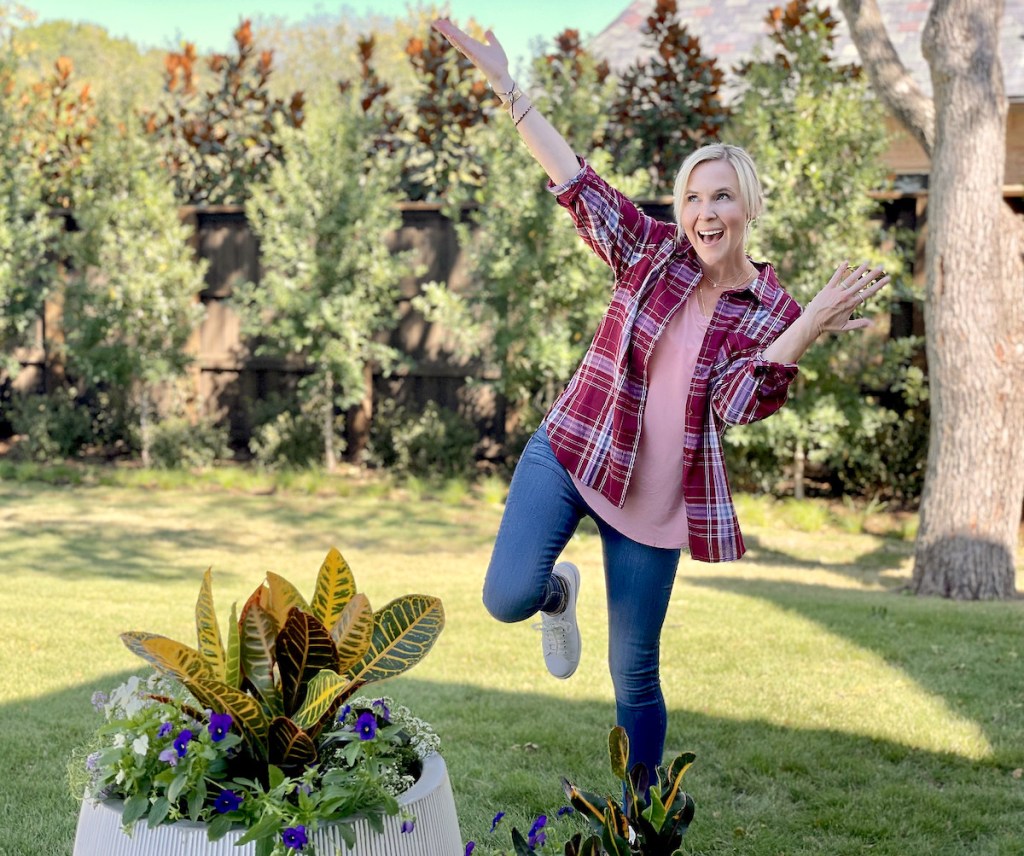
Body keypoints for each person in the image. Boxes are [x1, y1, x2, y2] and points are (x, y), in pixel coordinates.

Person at [432, 18, 890, 781]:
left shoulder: (771, 309)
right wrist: (506, 87)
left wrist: (805, 324)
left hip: (654, 503)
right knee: (506, 597)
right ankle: (555, 597)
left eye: (722, 196)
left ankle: (641, 819)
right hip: (575, 449)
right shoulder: (648, 251)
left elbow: (742, 403)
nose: (705, 212)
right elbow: (576, 182)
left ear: (748, 206)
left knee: (632, 674)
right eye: (692, 198)